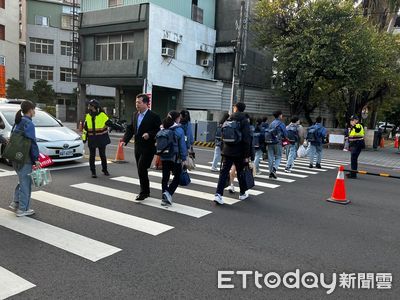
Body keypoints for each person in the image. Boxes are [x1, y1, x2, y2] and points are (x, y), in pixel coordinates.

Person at [123, 94, 161, 200]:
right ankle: (146, 191)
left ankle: (144, 192)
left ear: (145, 103)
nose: (137, 105)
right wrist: (125, 140)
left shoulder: (154, 116)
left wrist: (149, 134)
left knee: (141, 169)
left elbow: (159, 129)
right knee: (141, 170)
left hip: (148, 148)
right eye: (136, 102)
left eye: (139, 102)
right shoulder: (135, 114)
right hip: (138, 147)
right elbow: (130, 129)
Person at [214, 102, 251, 205]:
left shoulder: (229, 118)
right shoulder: (244, 120)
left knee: (224, 172)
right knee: (240, 172)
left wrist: (223, 148)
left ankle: (218, 194)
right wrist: (247, 155)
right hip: (239, 151)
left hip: (227, 150)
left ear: (236, 108)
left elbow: (222, 134)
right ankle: (242, 193)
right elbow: (247, 139)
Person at [8, 100, 40, 217]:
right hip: (25, 158)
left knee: (21, 180)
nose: (34, 111)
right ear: (30, 110)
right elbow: (32, 143)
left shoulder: (18, 121)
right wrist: (36, 159)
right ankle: (23, 209)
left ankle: (15, 202)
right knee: (25, 183)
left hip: (15, 156)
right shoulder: (29, 123)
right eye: (34, 109)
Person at [159, 111, 188, 206]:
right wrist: (184, 158)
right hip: (175, 158)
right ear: (176, 119)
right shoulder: (179, 130)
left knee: (165, 177)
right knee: (178, 177)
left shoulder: (162, 128)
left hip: (164, 156)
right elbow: (182, 146)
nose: (180, 119)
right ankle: (168, 193)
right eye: (179, 118)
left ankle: (164, 196)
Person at [82, 99, 112, 178]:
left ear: (94, 106)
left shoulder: (102, 115)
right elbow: (85, 129)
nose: (88, 106)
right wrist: (84, 138)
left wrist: (119, 127)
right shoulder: (88, 116)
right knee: (92, 156)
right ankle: (93, 172)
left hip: (101, 138)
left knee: (102, 155)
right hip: (92, 139)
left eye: (90, 105)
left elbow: (110, 123)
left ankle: (104, 170)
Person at [266, 111, 287, 179]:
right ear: (279, 115)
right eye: (281, 115)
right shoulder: (281, 124)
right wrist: (285, 140)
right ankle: (274, 169)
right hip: (278, 142)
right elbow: (285, 134)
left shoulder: (271, 123)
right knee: (278, 156)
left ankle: (270, 173)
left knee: (270, 157)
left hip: (270, 142)